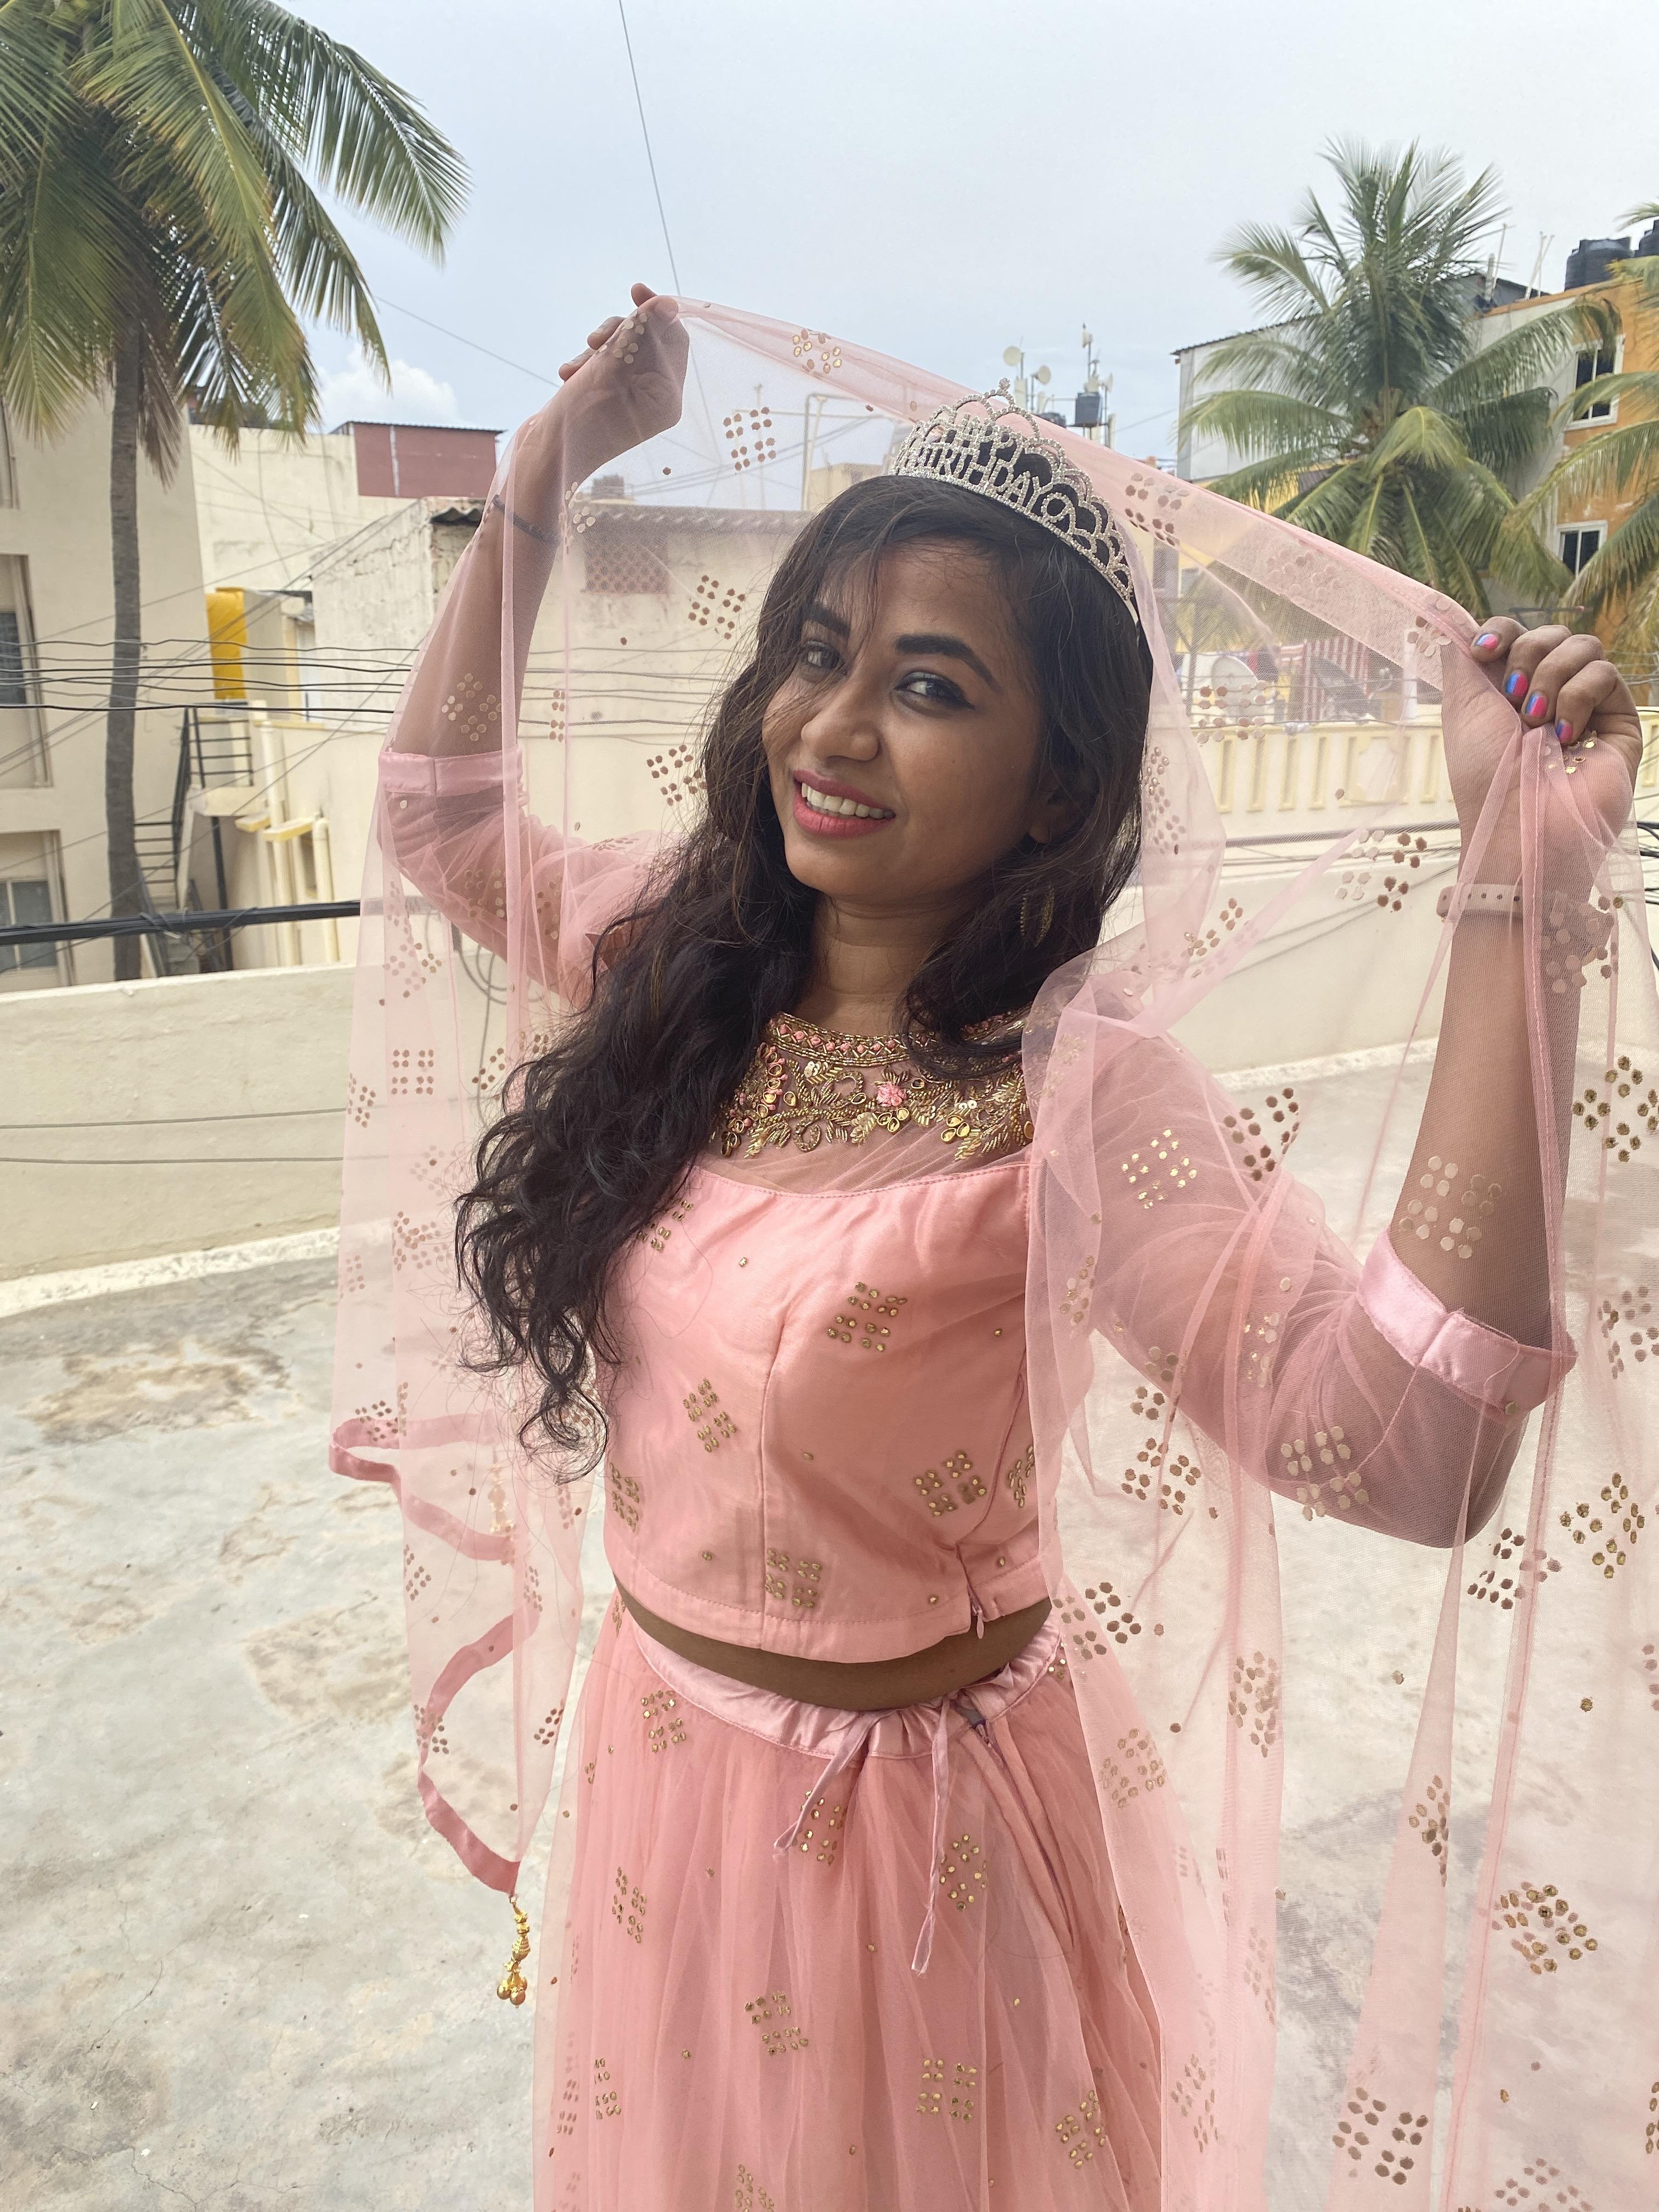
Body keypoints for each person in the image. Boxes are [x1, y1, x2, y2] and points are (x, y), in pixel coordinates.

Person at [334, 287, 1651, 2209]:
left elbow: (1409, 1446)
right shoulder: (680, 961)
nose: (833, 729)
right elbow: (439, 815)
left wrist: (1518, 901)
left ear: (1061, 780)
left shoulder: (1079, 1101)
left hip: (908, 1867)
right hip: (663, 1777)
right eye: (818, 656)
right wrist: (547, 465)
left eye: (932, 687)